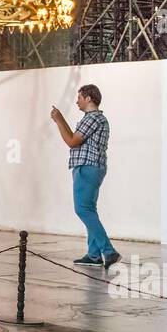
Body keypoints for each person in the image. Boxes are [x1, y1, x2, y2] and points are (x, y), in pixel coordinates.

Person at [51, 84, 120, 269]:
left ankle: (108, 251)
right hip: (93, 167)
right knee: (89, 209)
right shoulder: (95, 119)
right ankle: (94, 254)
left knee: (82, 209)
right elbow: (74, 137)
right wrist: (61, 119)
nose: (77, 101)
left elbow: (72, 142)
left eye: (79, 97)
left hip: (87, 167)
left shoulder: (92, 118)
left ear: (89, 98)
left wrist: (58, 121)